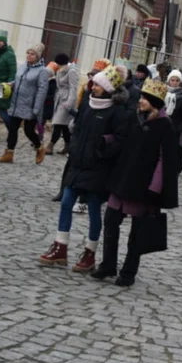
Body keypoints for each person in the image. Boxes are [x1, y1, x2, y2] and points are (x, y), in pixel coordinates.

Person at [39, 66, 131, 272]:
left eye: (98, 84)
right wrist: (74, 147)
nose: (93, 86)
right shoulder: (88, 105)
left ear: (107, 88)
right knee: (66, 202)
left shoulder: (117, 112)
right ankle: (60, 246)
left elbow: (120, 141)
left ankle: (90, 252)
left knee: (93, 209)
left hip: (98, 168)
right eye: (94, 83)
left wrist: (102, 148)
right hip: (78, 164)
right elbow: (78, 128)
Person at [93, 79, 179, 287]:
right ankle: (108, 264)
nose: (139, 101)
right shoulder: (134, 118)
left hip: (143, 186)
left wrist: (155, 188)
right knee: (111, 221)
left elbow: (164, 160)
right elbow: (122, 139)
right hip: (122, 179)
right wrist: (107, 140)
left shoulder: (165, 125)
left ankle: (129, 272)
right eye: (140, 97)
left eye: (144, 98)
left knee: (137, 232)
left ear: (155, 102)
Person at [0, 44, 49, 164]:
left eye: (32, 54)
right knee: (12, 128)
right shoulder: (23, 66)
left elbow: (42, 90)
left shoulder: (42, 71)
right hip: (17, 103)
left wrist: (36, 108)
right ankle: (9, 153)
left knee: (28, 130)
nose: (29, 55)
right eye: (28, 53)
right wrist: (11, 84)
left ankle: (39, 148)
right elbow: (19, 80)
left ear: (38, 56)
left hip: (30, 105)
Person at [46, 54, 78, 155]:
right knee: (64, 126)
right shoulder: (60, 70)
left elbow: (73, 88)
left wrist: (69, 103)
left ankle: (50, 145)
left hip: (67, 100)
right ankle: (68, 146)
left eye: (59, 64)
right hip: (59, 99)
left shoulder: (72, 71)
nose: (58, 67)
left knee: (58, 123)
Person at [165, 70, 182, 162]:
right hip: (162, 129)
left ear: (180, 82)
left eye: (177, 80)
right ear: (169, 81)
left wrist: (178, 129)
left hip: (174, 132)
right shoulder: (163, 93)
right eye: (172, 80)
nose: (174, 83)